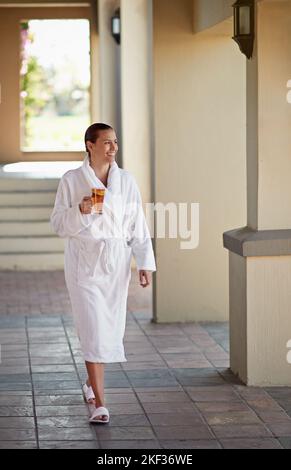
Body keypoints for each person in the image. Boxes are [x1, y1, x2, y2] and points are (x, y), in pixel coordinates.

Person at [50, 123, 156, 424]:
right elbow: (58, 224)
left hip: (115, 264)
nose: (113, 148)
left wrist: (144, 262)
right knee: (92, 326)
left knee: (108, 328)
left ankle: (90, 384)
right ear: (90, 145)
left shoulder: (126, 180)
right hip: (84, 263)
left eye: (115, 142)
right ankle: (99, 402)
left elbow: (137, 223)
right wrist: (81, 211)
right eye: (106, 142)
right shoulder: (71, 180)